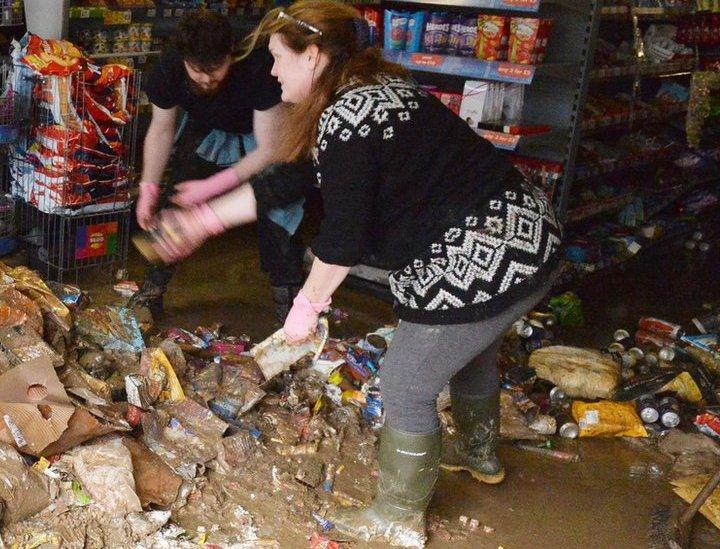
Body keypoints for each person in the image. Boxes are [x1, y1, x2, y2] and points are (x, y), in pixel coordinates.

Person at [134, 1, 564, 546]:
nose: (270, 73)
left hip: (491, 250)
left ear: (312, 57)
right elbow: (288, 181)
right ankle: (478, 455)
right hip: (530, 235)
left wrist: (303, 314)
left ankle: (398, 515)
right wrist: (204, 221)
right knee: (470, 348)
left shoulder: (348, 118)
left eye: (277, 59)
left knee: (406, 383)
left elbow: (341, 243)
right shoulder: (366, 94)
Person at [131, 9, 307, 321]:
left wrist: (214, 186)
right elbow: (161, 129)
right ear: (184, 60)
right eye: (198, 72)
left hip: (267, 138)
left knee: (279, 216)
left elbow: (269, 149)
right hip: (212, 134)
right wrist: (148, 187)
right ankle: (150, 292)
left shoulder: (258, 64)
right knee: (174, 208)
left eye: (217, 71)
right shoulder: (170, 67)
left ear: (231, 54)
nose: (208, 80)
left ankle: (291, 310)